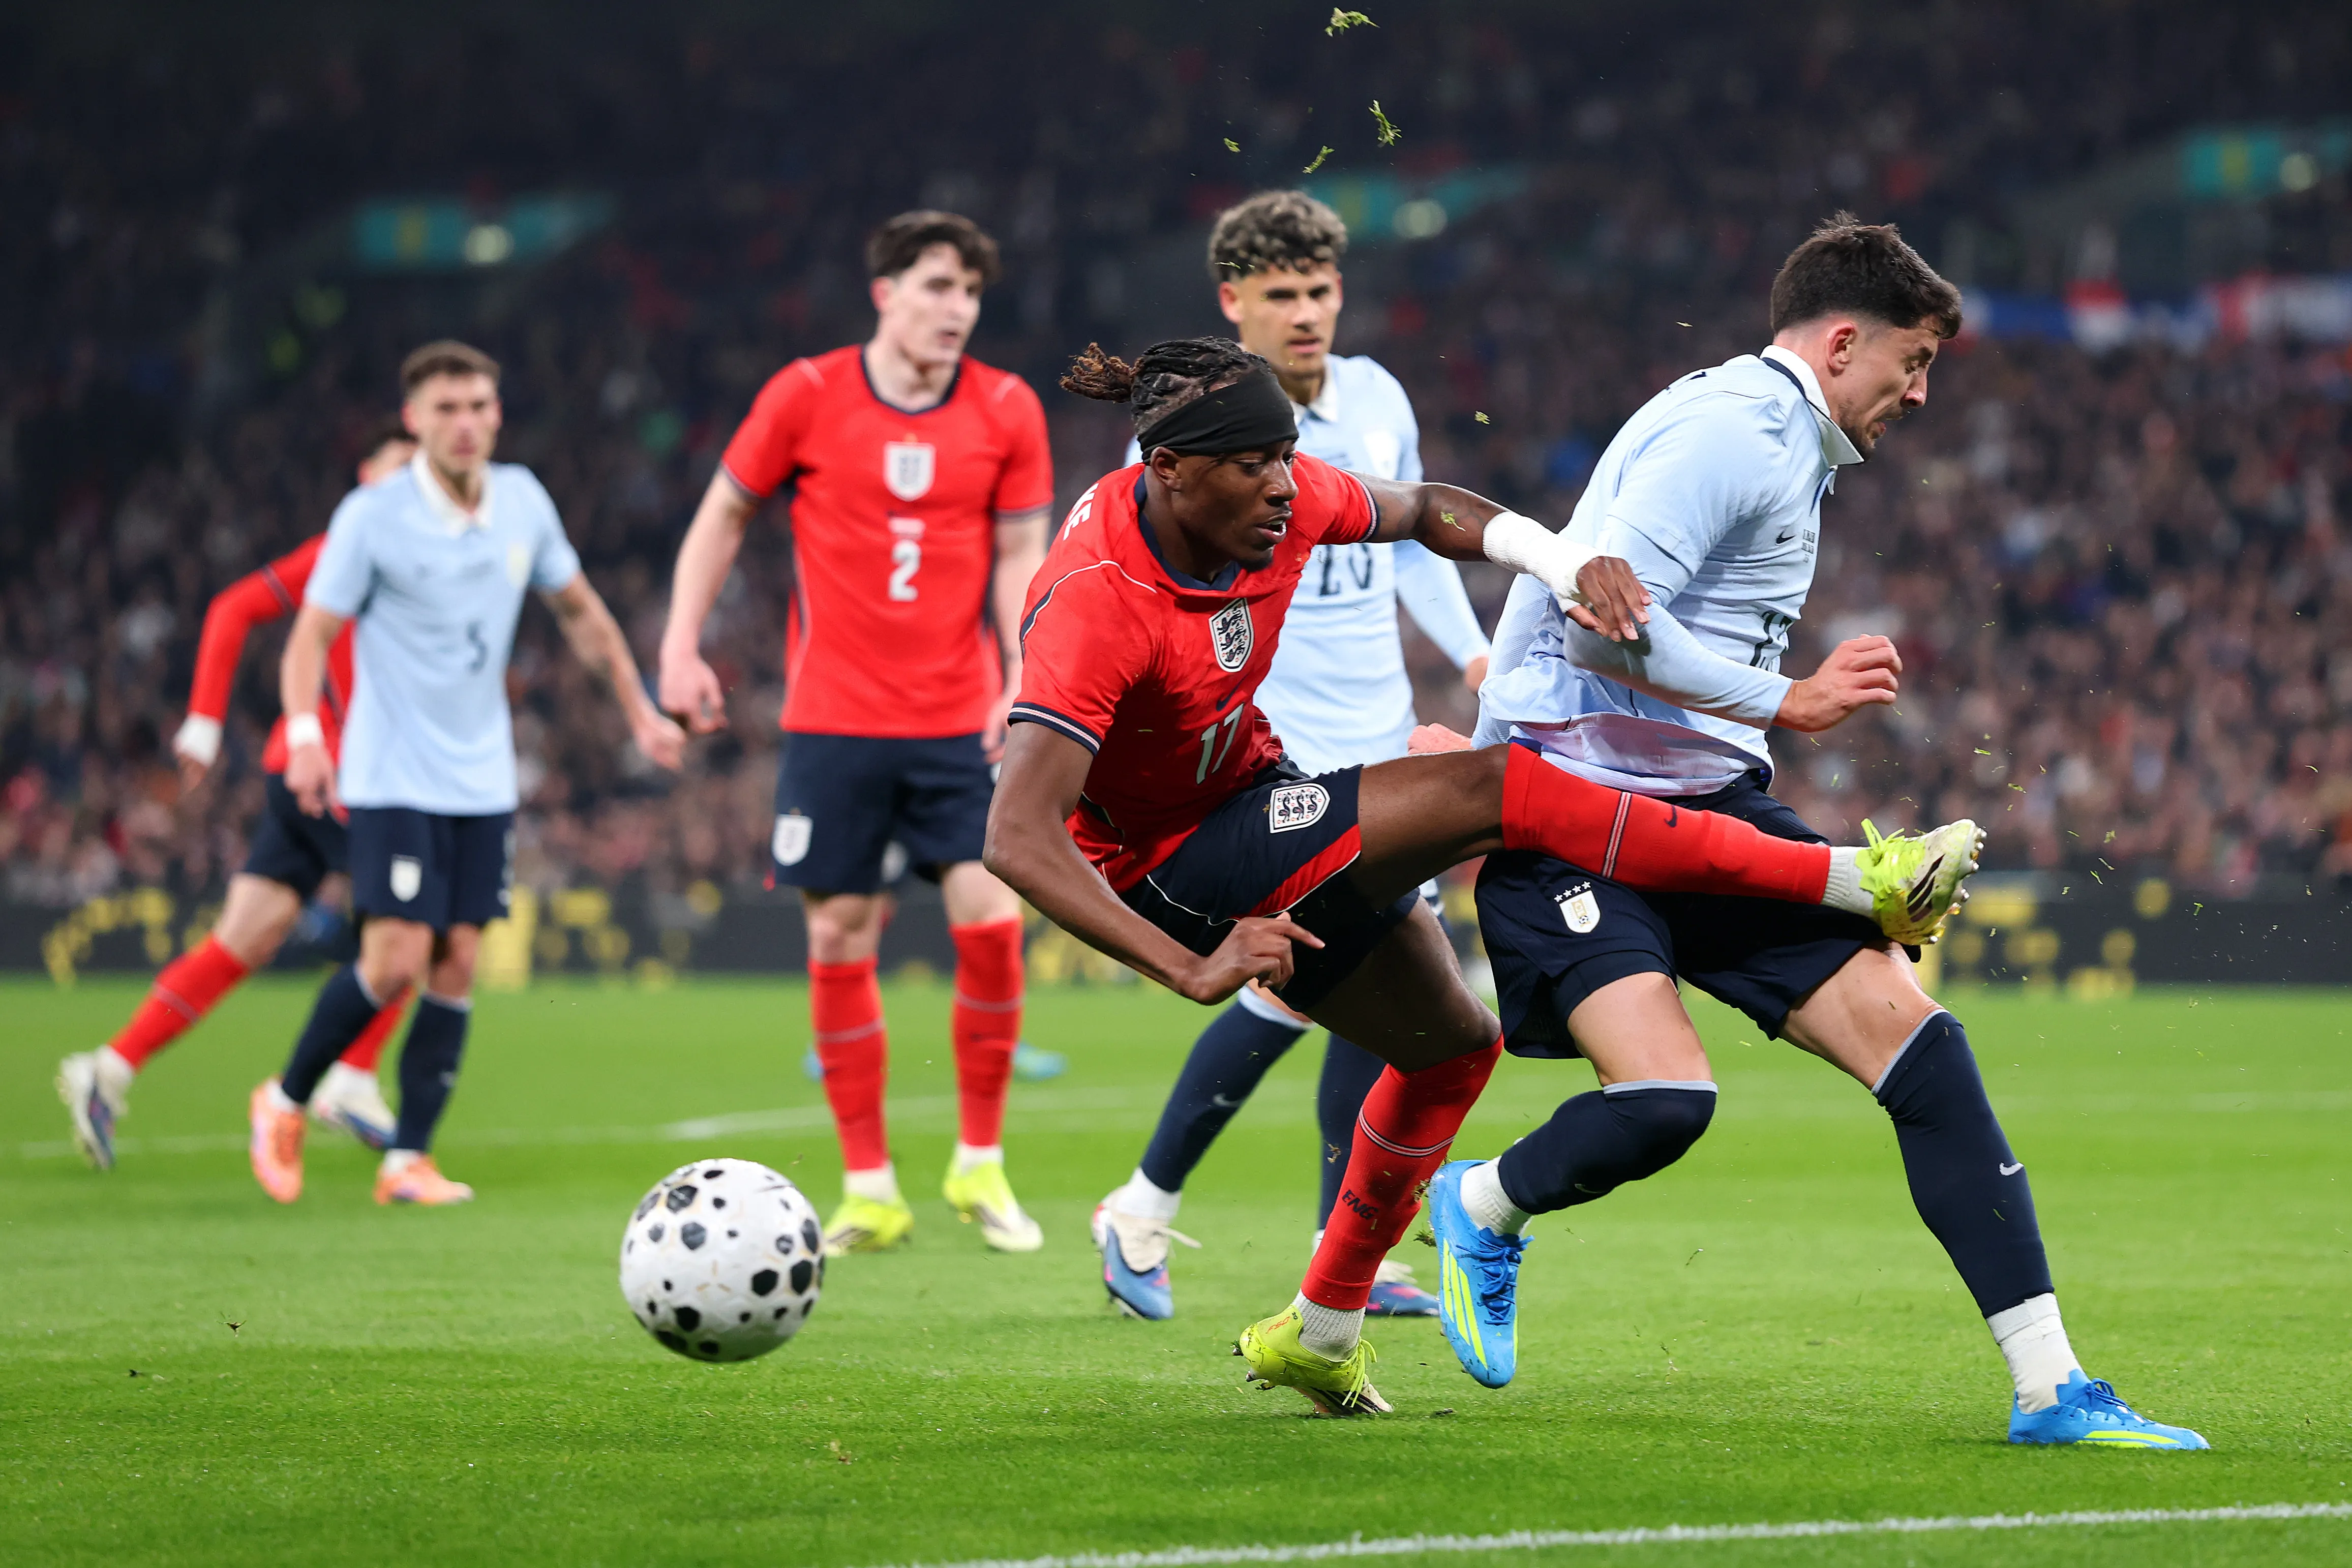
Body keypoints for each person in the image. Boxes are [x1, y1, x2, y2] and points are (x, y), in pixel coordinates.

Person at [984, 335, 1981, 1414]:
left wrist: (1562, 566)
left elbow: (1426, 508)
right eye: (1254, 467)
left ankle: (1319, 1331)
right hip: (1175, 865)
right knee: (1493, 785)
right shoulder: (1094, 601)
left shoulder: (1281, 496)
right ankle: (1843, 881)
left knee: (1455, 1049)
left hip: (1249, 790)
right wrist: (1189, 965)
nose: (1285, 487)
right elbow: (1019, 837)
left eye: (1286, 458)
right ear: (1168, 470)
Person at [1413, 214, 2206, 1449]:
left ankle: (2053, 1387)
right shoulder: (1736, 433)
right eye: (1914, 362)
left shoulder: (1786, 435)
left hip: (1708, 804)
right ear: (1844, 342)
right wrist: (1787, 698)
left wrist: (1757, 725)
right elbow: (1589, 622)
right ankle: (1484, 1202)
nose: (1922, 393)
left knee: (1924, 1053)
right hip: (1575, 813)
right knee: (1669, 1103)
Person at [1091, 191, 1489, 1321]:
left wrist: (1471, 662)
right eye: (1280, 295)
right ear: (1232, 303)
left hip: (1374, 726)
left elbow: (1413, 552)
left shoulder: (1377, 398)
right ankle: (1248, 1230)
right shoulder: (1204, 432)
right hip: (1271, 743)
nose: (1306, 313)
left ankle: (1170, 1213)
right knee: (1347, 975)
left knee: (1343, 985)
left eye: (1320, 290)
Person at [658, 212, 1053, 1257]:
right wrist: (679, 647)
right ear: (884, 292)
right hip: (832, 722)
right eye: (936, 285)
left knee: (992, 917)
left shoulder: (1008, 408)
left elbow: (1021, 553)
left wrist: (1022, 672)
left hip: (957, 719)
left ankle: (981, 1162)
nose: (956, 308)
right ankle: (870, 1185)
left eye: (970, 290)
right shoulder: (806, 394)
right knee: (837, 935)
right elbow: (723, 516)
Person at [247, 340, 684, 1206]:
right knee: (397, 954)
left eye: (480, 406)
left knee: (456, 963)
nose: (466, 423)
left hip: (482, 778)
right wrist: (305, 736)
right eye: (446, 408)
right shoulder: (373, 516)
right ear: (413, 420)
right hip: (391, 773)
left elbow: (582, 614)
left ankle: (407, 1158)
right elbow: (308, 641)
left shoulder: (522, 501)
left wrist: (638, 708)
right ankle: (284, 1097)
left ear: (498, 414)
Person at [55, 423, 419, 1170]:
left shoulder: (429, 560)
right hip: (342, 776)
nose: (409, 485)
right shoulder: (345, 553)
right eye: (395, 470)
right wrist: (202, 719)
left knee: (243, 939)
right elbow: (232, 608)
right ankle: (348, 1077)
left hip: (302, 771)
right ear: (362, 479)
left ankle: (110, 1069)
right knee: (426, 919)